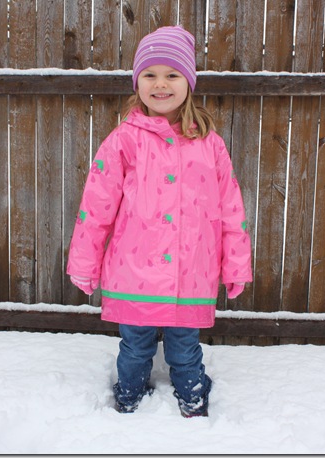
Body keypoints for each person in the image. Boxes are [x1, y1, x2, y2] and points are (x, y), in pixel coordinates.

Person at [67, 25, 252, 417]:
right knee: (136, 347)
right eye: (150, 74)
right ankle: (129, 396)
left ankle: (192, 398)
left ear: (189, 83)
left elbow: (230, 210)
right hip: (134, 271)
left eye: (172, 74)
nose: (161, 84)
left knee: (185, 348)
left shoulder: (210, 144)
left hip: (190, 273)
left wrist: (236, 265)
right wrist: (84, 263)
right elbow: (96, 207)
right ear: (137, 83)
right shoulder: (124, 140)